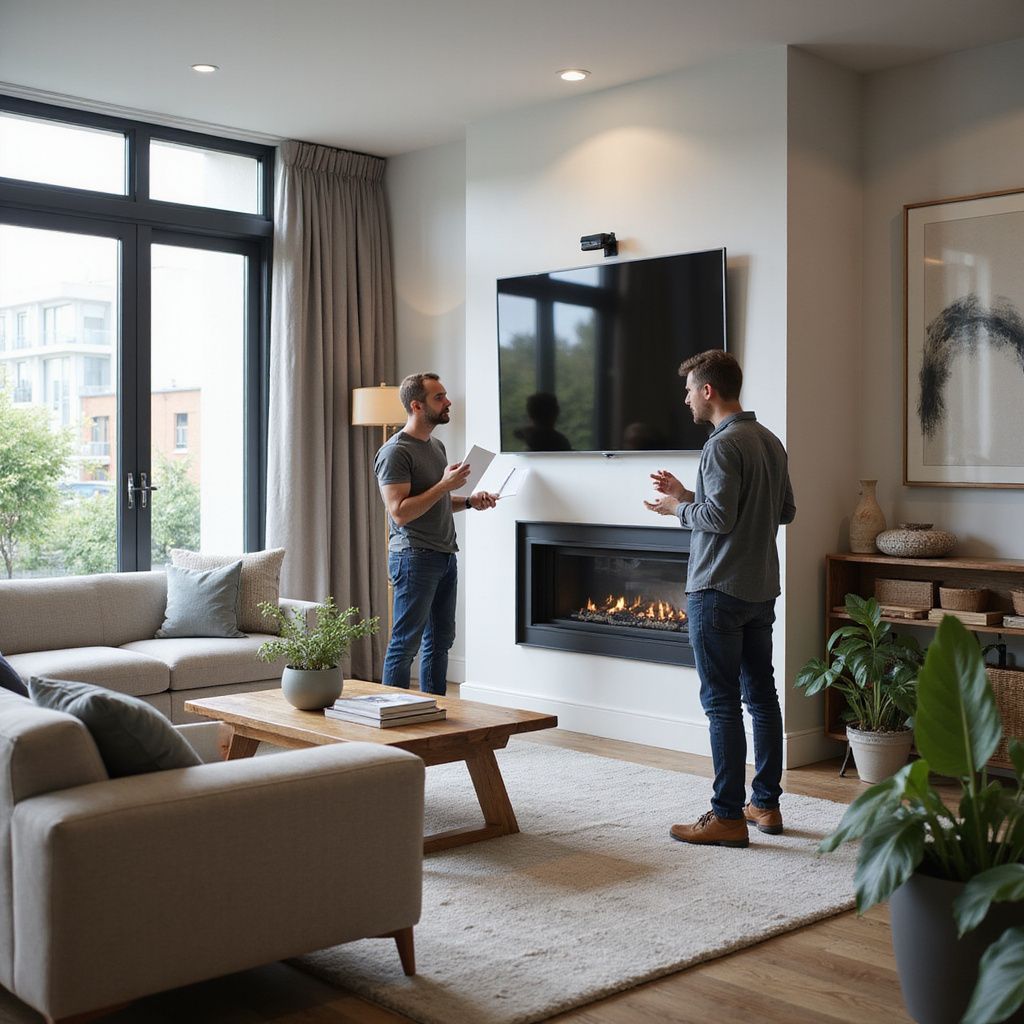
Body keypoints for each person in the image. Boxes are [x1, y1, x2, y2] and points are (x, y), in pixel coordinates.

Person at [643, 350, 795, 848]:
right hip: (759, 588)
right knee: (762, 697)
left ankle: (727, 815)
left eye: (689, 389)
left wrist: (677, 507)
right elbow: (784, 511)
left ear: (708, 390)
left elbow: (717, 519)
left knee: (722, 704)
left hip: (716, 588)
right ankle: (765, 804)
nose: (686, 398)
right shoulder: (769, 441)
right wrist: (690, 494)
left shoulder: (720, 444)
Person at [374, 372, 498, 695]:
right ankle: (390, 717)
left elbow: (435, 501)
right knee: (405, 644)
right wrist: (444, 485)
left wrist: (469, 501)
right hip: (413, 557)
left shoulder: (436, 446)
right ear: (417, 406)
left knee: (441, 641)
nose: (448, 401)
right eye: (439, 397)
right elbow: (400, 512)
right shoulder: (394, 452)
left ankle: (434, 711)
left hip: (444, 555)